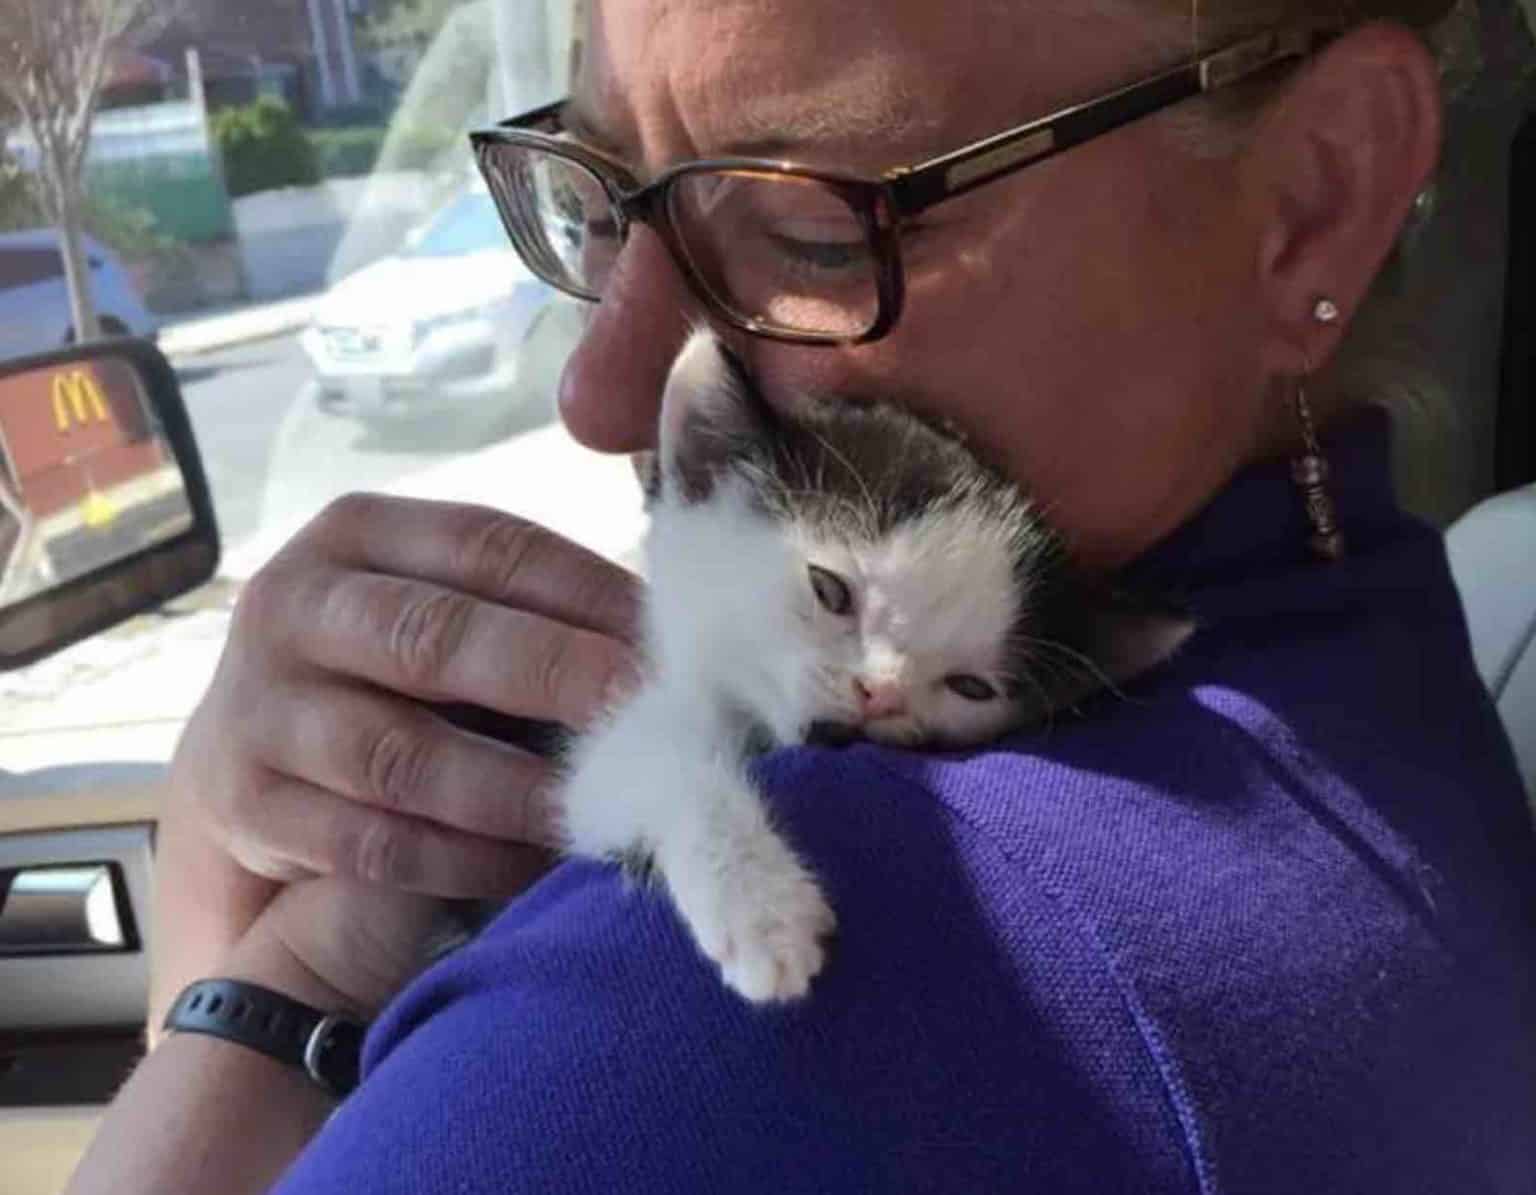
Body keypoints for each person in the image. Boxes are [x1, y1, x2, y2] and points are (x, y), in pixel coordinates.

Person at [68, 1, 1536, 1191]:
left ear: (1313, 197)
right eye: (597, 212)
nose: (601, 392)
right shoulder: (1383, 664)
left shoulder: (762, 999)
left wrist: (245, 966)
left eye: (819, 230)